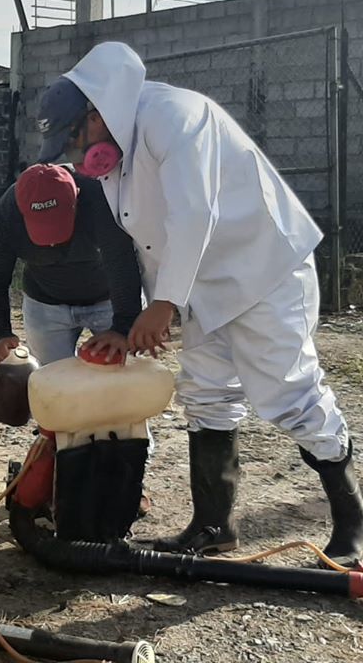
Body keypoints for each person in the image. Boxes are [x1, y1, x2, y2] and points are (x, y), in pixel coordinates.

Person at [36, 41, 363, 565]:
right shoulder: (113, 160)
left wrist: (164, 304)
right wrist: (129, 321)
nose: (77, 159)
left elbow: (194, 215)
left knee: (290, 394)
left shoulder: (175, 116)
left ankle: (352, 527)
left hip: (262, 271)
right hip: (197, 286)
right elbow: (130, 244)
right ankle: (213, 528)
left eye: (75, 141)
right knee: (207, 394)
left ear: (96, 115)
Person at [0, 163, 142, 367]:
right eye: (42, 226)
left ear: (76, 199)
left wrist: (123, 327)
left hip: (110, 300)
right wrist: (0, 333)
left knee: (126, 374)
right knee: (50, 379)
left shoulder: (101, 198)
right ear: (22, 210)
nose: (52, 243)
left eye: (56, 223)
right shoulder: (6, 215)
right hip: (45, 303)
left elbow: (122, 264)